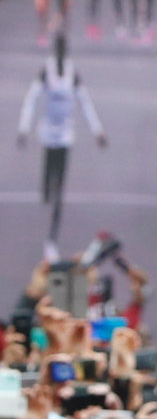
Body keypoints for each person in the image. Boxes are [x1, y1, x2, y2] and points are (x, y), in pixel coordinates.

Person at [16, 35, 107, 259]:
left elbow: (85, 102)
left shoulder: (72, 73)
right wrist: (23, 128)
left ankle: (52, 238)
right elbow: (31, 98)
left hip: (65, 135)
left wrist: (98, 130)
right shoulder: (45, 71)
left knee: (60, 188)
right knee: (48, 180)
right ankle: (47, 188)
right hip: (48, 133)